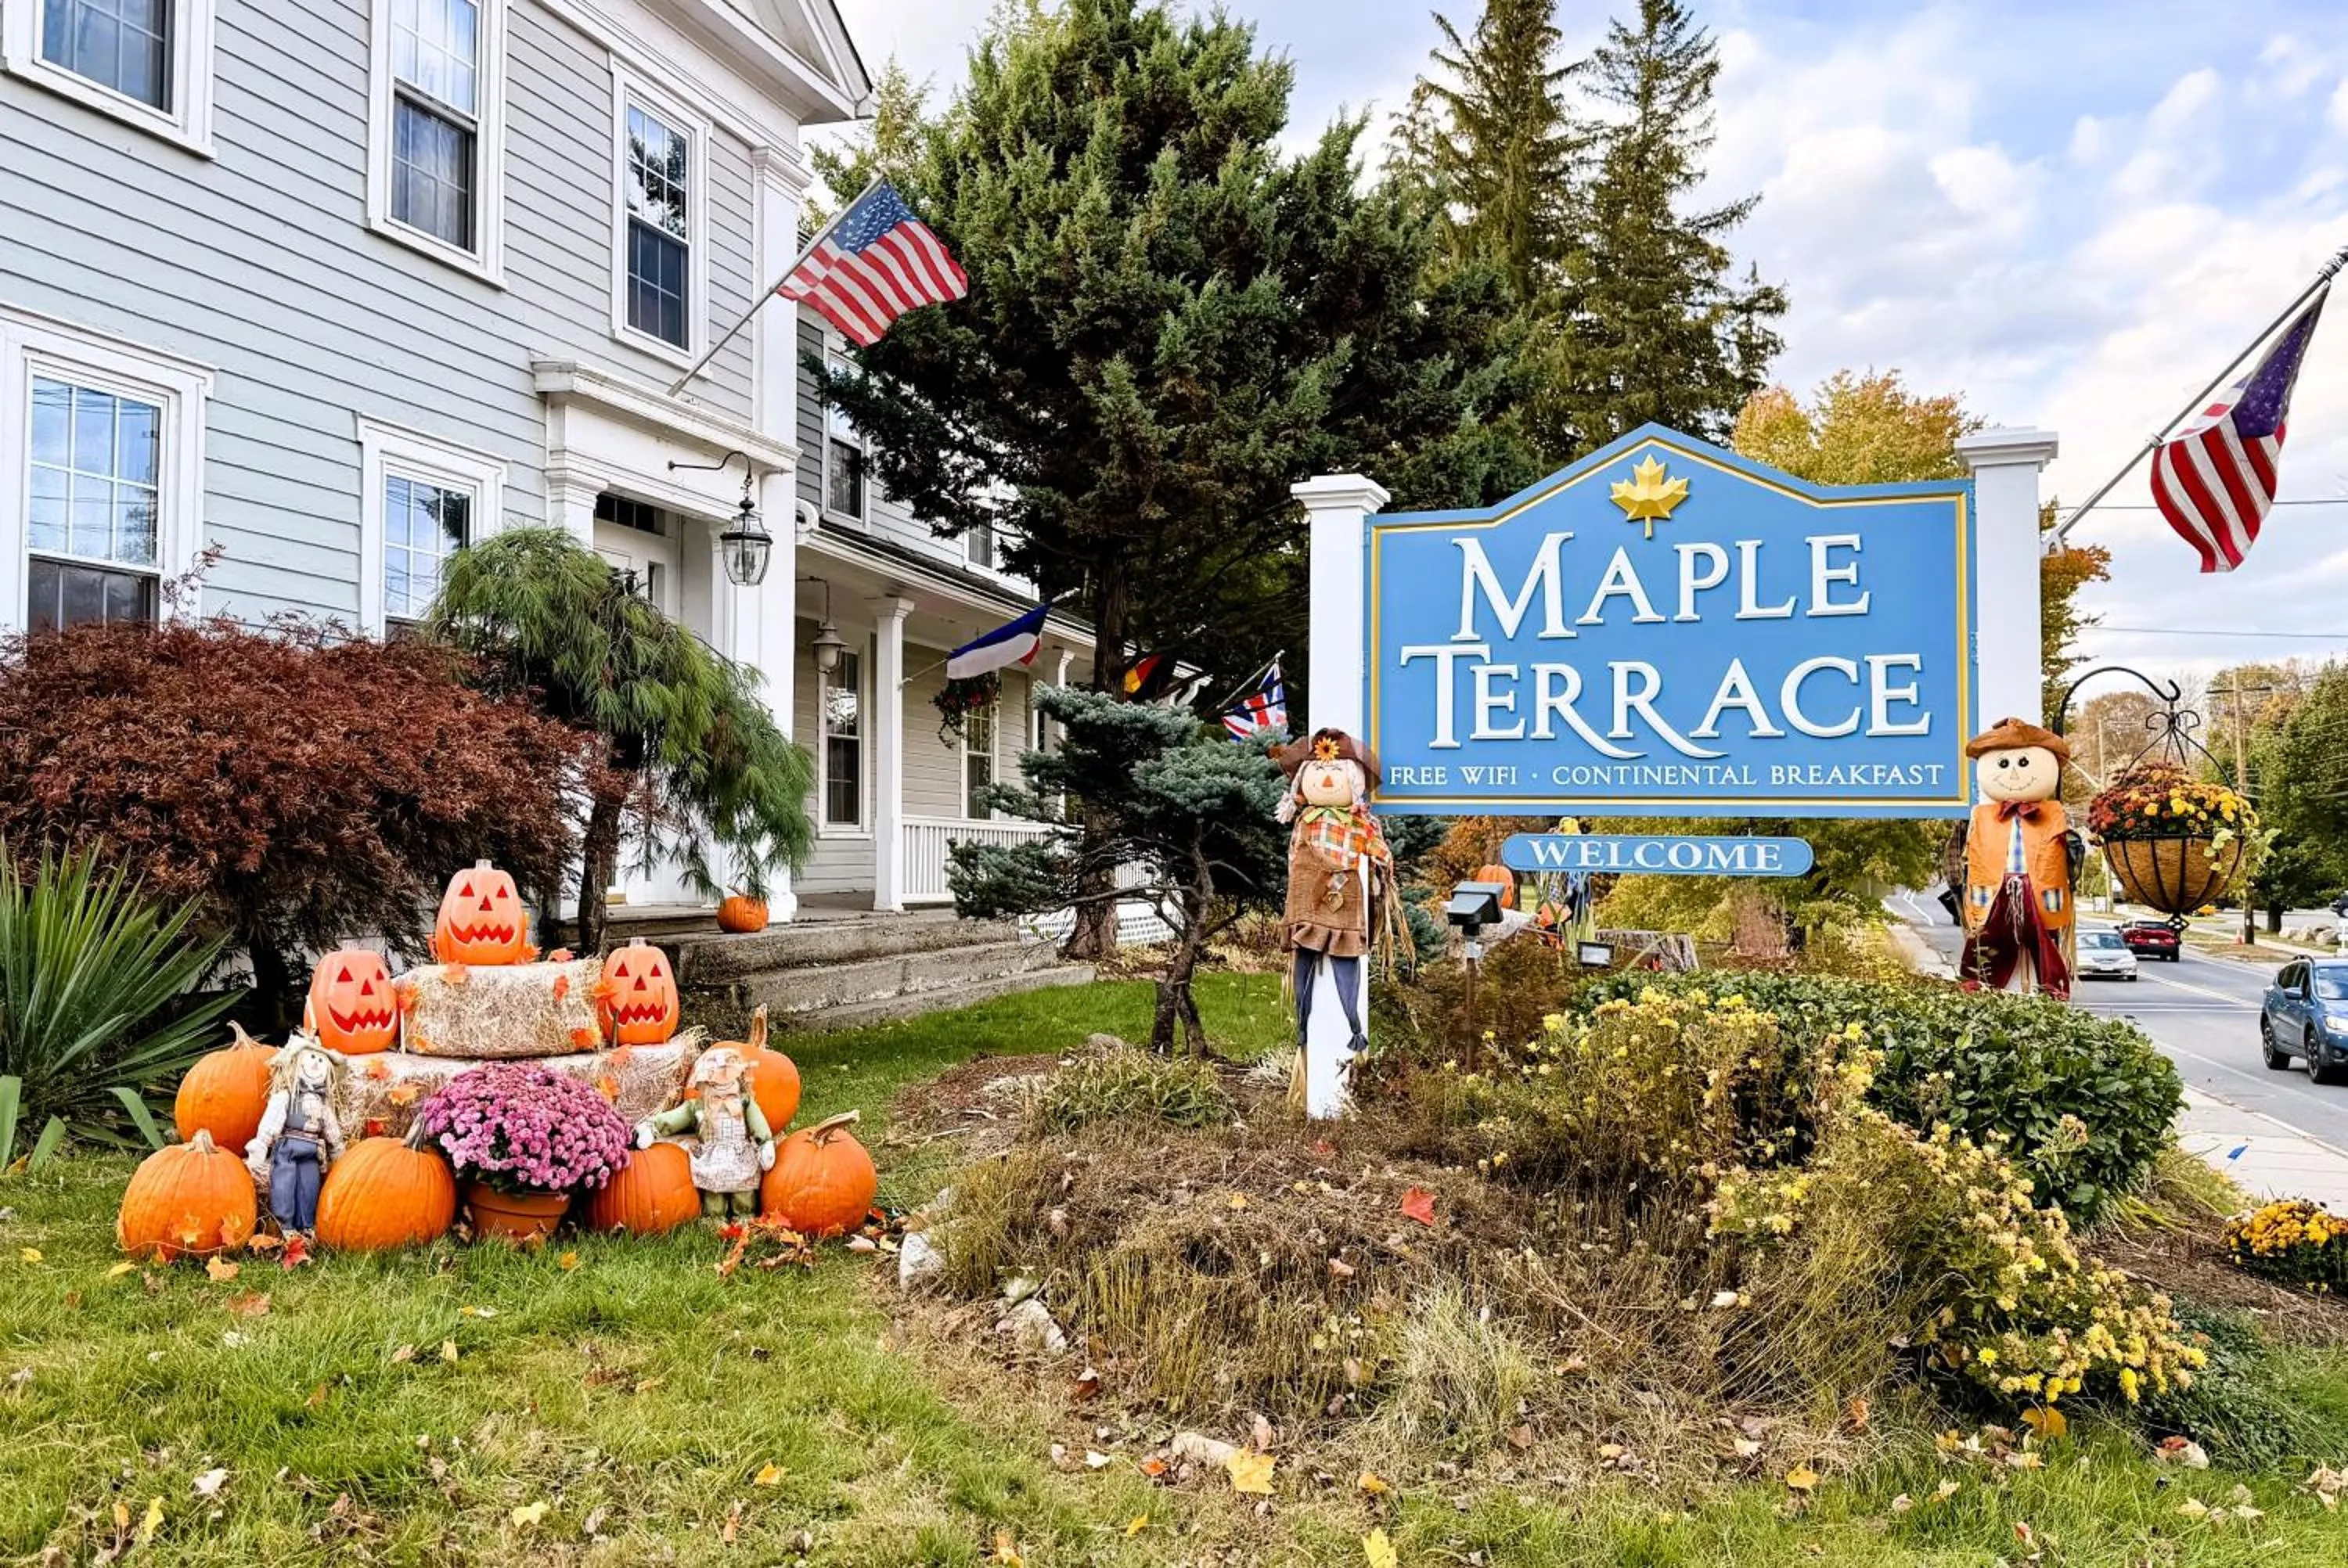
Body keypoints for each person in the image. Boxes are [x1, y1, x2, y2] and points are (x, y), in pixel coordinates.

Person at [247, 1032, 346, 1233]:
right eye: (311, 1058)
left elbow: (330, 1127)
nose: (316, 1063)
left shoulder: (323, 1103)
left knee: (310, 1185)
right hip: (288, 1147)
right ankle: (286, 1224)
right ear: (296, 1064)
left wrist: (338, 1149)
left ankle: (307, 1224)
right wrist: (262, 1143)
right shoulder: (286, 1096)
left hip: (311, 1150)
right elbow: (272, 1121)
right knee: (284, 1184)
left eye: (321, 1060)